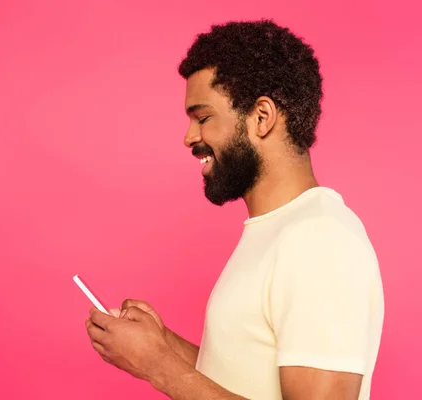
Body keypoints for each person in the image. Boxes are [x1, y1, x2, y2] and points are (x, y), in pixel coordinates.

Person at [84, 19, 384, 400]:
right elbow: (246, 380)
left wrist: (160, 367)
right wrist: (162, 345)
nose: (190, 136)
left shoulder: (320, 240)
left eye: (203, 117)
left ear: (261, 117)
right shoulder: (279, 231)